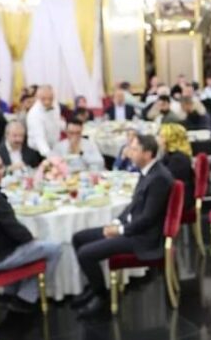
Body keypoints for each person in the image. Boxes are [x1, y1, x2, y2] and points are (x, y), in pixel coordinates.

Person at [70, 135, 173, 318]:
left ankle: (101, 297)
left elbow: (148, 219)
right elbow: (133, 205)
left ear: (148, 154)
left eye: (134, 150)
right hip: (132, 228)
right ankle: (94, 287)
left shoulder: (159, 178)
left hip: (143, 238)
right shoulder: (147, 171)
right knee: (78, 238)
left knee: (85, 253)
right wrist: (117, 222)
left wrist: (120, 231)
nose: (129, 153)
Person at [0, 150, 62, 313]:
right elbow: (14, 229)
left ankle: (11, 293)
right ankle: (26, 298)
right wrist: (32, 239)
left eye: (0, 167)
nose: (0, 173)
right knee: (54, 248)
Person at [158, 123, 195, 209]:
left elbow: (167, 181)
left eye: (161, 137)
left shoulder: (178, 159)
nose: (158, 140)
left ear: (170, 139)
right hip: (175, 195)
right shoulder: (170, 155)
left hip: (180, 199)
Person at [26, 85, 64, 158]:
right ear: (37, 98)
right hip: (38, 152)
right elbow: (39, 139)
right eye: (43, 99)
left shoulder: (55, 105)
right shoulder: (34, 114)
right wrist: (51, 156)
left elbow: (57, 122)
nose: (47, 102)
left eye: (50, 98)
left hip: (53, 147)